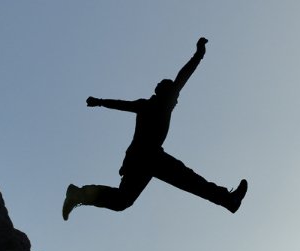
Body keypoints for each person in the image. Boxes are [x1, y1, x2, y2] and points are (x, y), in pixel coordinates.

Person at [63, 37, 247, 220]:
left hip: (137, 160)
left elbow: (181, 77)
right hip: (149, 157)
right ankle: (228, 200)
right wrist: (198, 55)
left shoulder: (150, 103)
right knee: (191, 181)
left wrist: (100, 102)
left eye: (162, 84)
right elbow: (124, 103)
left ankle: (79, 194)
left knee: (122, 200)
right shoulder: (157, 104)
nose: (158, 84)